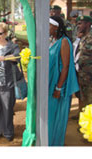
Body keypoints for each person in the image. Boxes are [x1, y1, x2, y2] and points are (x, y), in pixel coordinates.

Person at [48, 16, 79, 146]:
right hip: (51, 83)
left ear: (55, 27)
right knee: (50, 115)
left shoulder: (64, 42)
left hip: (59, 85)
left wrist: (58, 88)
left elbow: (66, 66)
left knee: (57, 116)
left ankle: (55, 143)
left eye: (48, 25)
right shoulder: (53, 40)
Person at [76, 16, 92, 119]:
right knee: (81, 95)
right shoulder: (82, 37)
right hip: (81, 73)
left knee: (89, 97)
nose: (78, 25)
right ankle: (82, 116)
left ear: (88, 24)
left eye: (81, 23)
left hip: (89, 74)